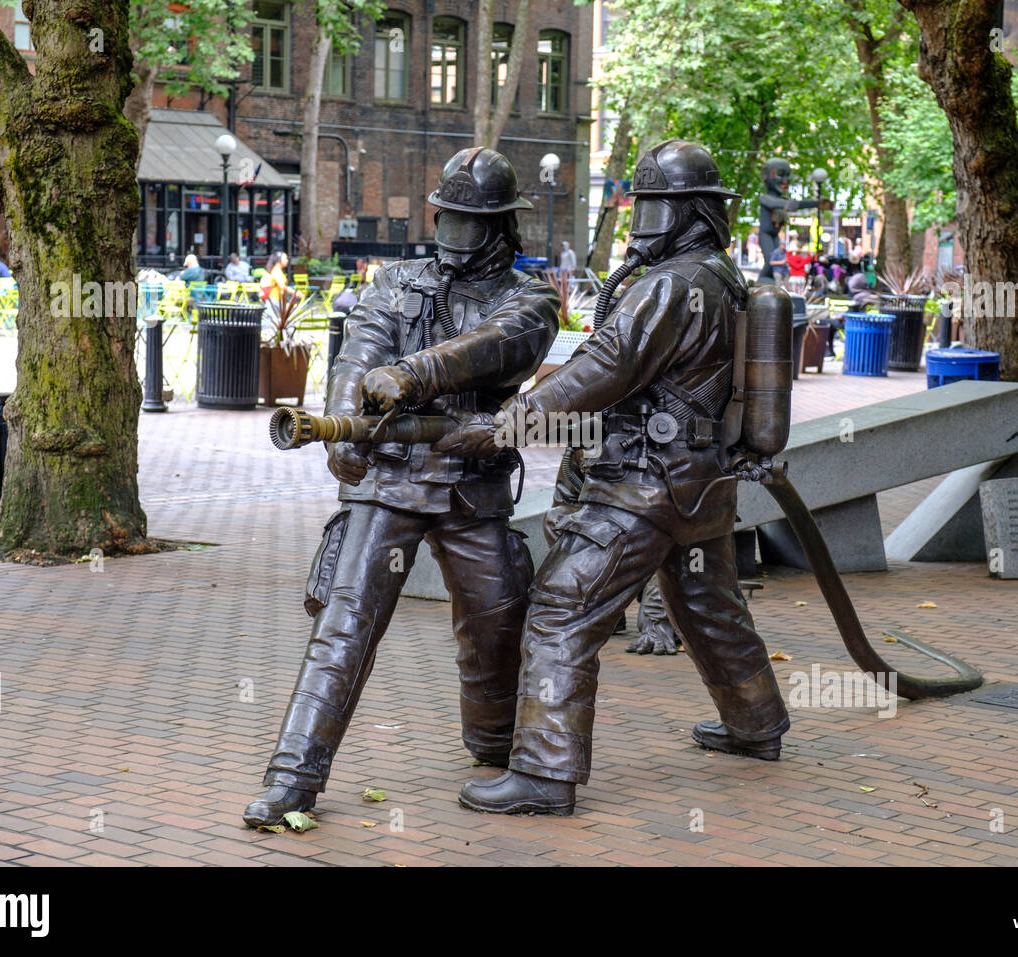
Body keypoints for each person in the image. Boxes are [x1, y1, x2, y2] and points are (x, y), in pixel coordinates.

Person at [442, 139, 792, 816]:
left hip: (642, 485)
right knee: (710, 606)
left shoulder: (667, 286)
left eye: (653, 206)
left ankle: (545, 772)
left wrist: (510, 422)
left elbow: (601, 368)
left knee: (561, 606)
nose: (642, 222)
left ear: (682, 211)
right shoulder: (719, 275)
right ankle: (757, 723)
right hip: (702, 485)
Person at [242, 147, 560, 828]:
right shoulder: (395, 282)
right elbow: (356, 353)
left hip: (473, 487)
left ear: (501, 227)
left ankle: (494, 745)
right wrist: (342, 432)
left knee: (497, 624)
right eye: (449, 217)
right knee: (344, 625)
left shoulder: (528, 297)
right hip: (388, 480)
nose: (455, 233)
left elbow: (507, 345)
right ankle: (292, 776)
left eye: (470, 222)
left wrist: (415, 372)